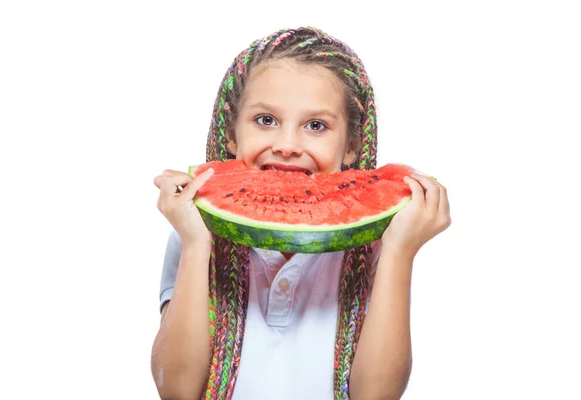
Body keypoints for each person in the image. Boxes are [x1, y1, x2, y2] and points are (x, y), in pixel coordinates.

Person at [151, 26, 451, 400]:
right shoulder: (194, 229)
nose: (288, 145)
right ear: (231, 133)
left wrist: (399, 251)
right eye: (265, 120)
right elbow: (176, 391)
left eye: (316, 126)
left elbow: (376, 395)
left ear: (352, 146)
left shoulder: (374, 241)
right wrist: (196, 244)